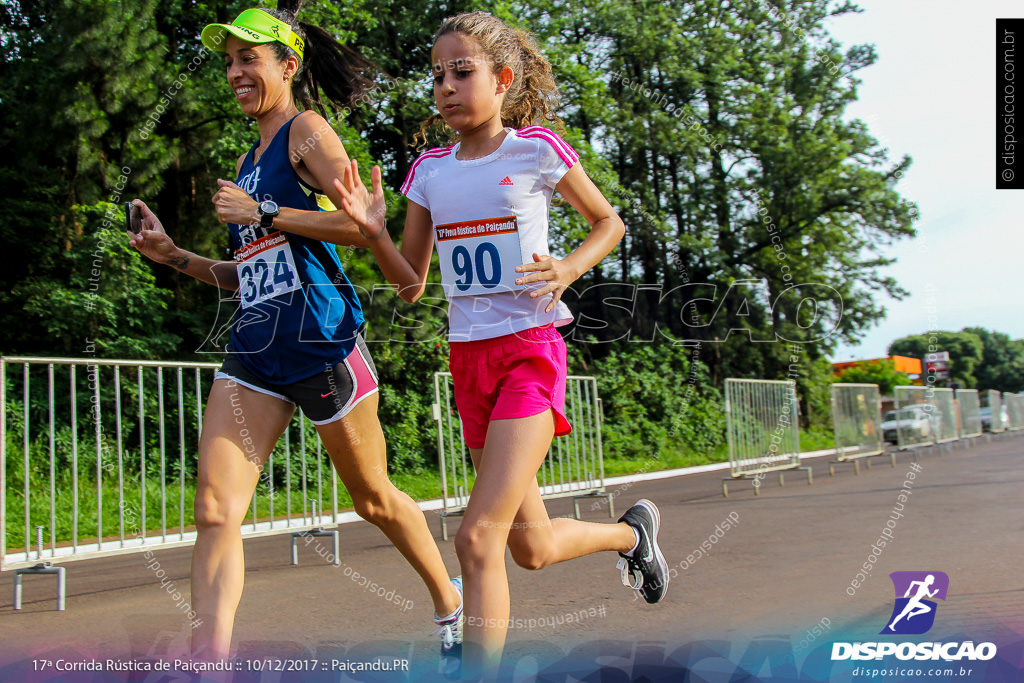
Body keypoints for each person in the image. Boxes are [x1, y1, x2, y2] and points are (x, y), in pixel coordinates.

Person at [334, 11, 669, 674]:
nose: (447, 86)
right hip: (470, 360)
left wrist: (569, 267)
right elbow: (409, 284)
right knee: (531, 546)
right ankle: (634, 535)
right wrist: (372, 234)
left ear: (503, 78)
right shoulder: (428, 171)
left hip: (530, 350)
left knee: (477, 536)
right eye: (438, 75)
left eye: (463, 71)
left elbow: (609, 221)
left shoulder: (537, 150)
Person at [126, 3, 463, 661]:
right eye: (228, 61)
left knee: (372, 498)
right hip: (256, 347)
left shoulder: (304, 133)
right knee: (217, 511)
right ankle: (210, 663)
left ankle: (449, 600)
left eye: (248, 58)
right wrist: (175, 258)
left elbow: (361, 226)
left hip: (322, 339)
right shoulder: (248, 158)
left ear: (287, 63)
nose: (234, 72)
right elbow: (247, 270)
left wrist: (267, 210)